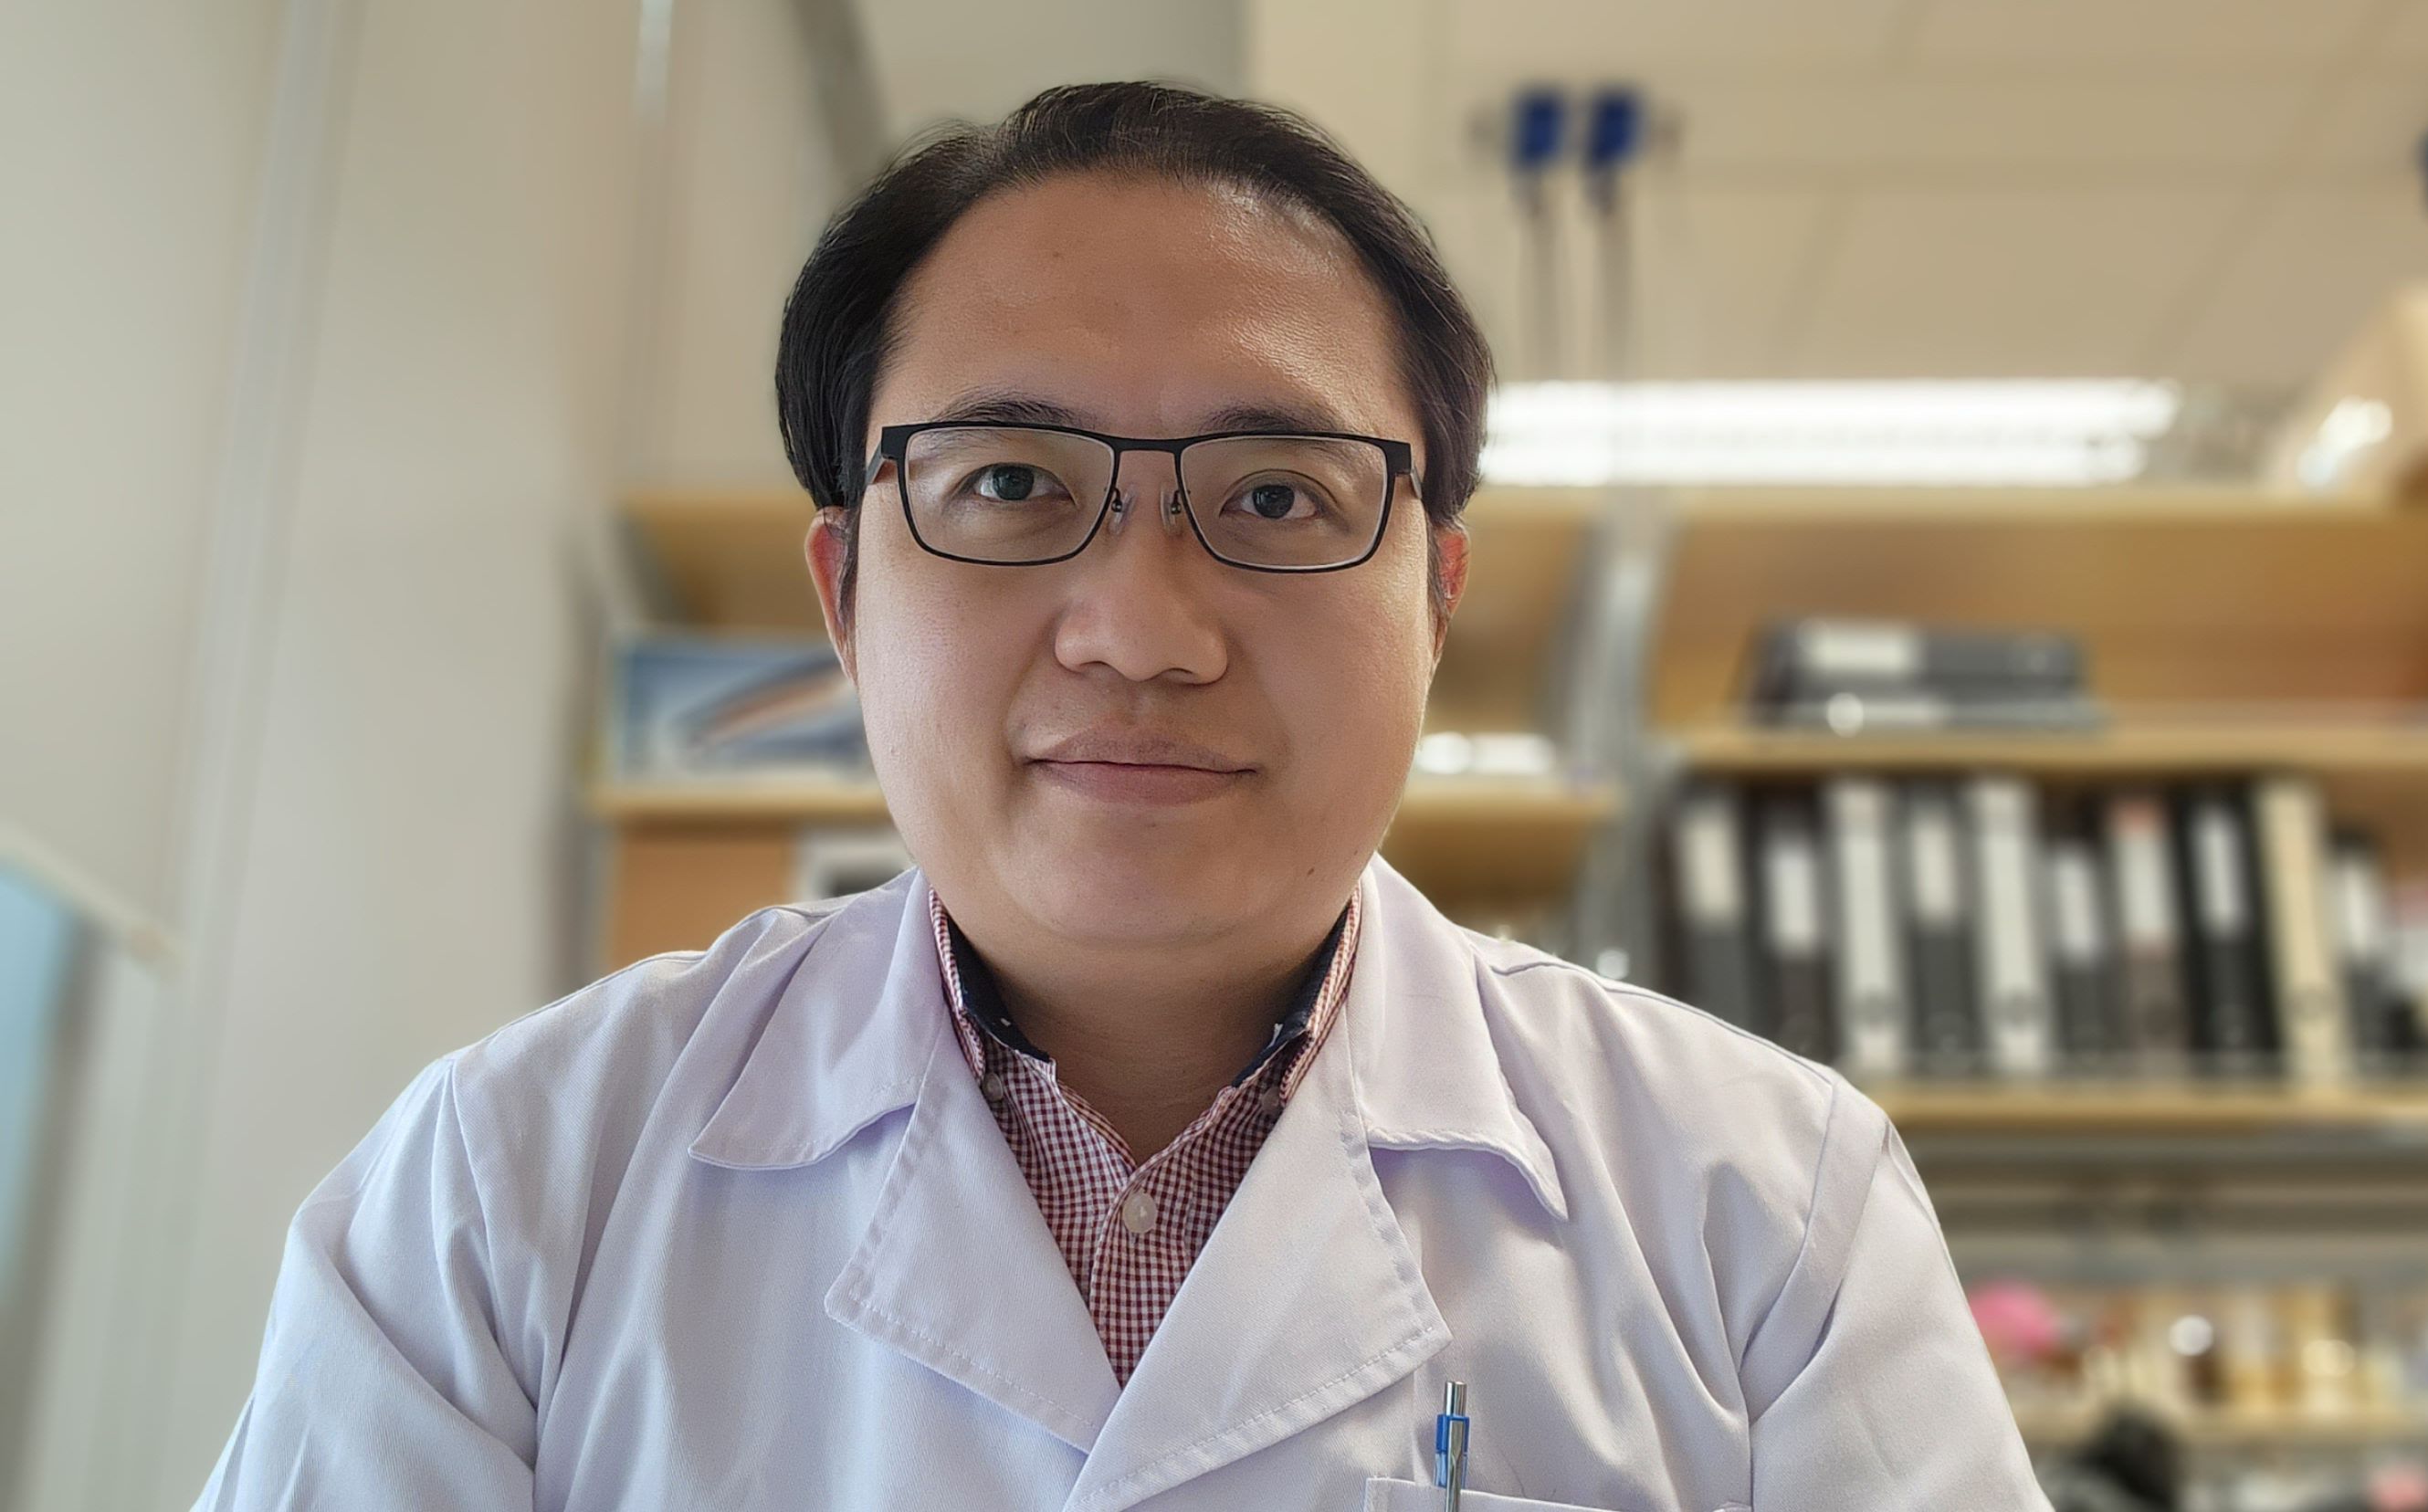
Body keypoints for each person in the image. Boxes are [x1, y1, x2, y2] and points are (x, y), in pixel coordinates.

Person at [194, 81, 2045, 1510]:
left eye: (1273, 498)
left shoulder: (1758, 1207)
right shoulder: (507, 1195)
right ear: (845, 599)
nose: (1142, 633)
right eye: (1007, 484)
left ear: (1431, 605)